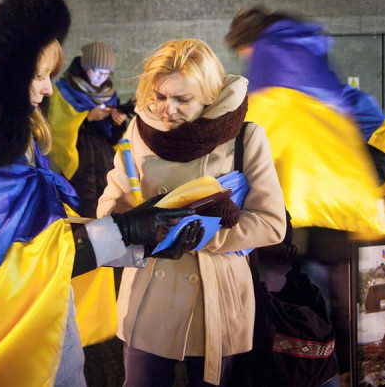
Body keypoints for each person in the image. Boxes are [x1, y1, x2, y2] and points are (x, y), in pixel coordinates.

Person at [0, 0, 204, 387]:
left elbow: (40, 243)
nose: (47, 89)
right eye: (38, 75)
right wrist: (127, 231)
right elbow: (15, 270)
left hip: (36, 340)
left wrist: (141, 238)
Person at [225, 6, 385, 385]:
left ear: (251, 44)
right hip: (342, 217)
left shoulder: (266, 84)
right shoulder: (332, 85)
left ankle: (312, 374)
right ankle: (344, 372)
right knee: (343, 309)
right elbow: (378, 134)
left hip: (291, 222)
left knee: (291, 316)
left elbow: (251, 152)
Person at [97, 39, 287, 386]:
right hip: (149, 293)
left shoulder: (245, 137)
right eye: (159, 96)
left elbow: (271, 224)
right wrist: (132, 221)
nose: (167, 110)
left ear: (209, 96)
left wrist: (201, 235)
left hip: (216, 299)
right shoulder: (138, 130)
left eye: (182, 100)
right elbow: (111, 200)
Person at [46, 41, 128, 218]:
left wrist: (117, 123)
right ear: (85, 66)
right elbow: (56, 130)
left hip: (105, 165)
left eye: (106, 73)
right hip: (78, 167)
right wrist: (87, 118)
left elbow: (114, 139)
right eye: (97, 71)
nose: (101, 77)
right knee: (79, 213)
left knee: (106, 211)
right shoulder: (63, 92)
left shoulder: (109, 94)